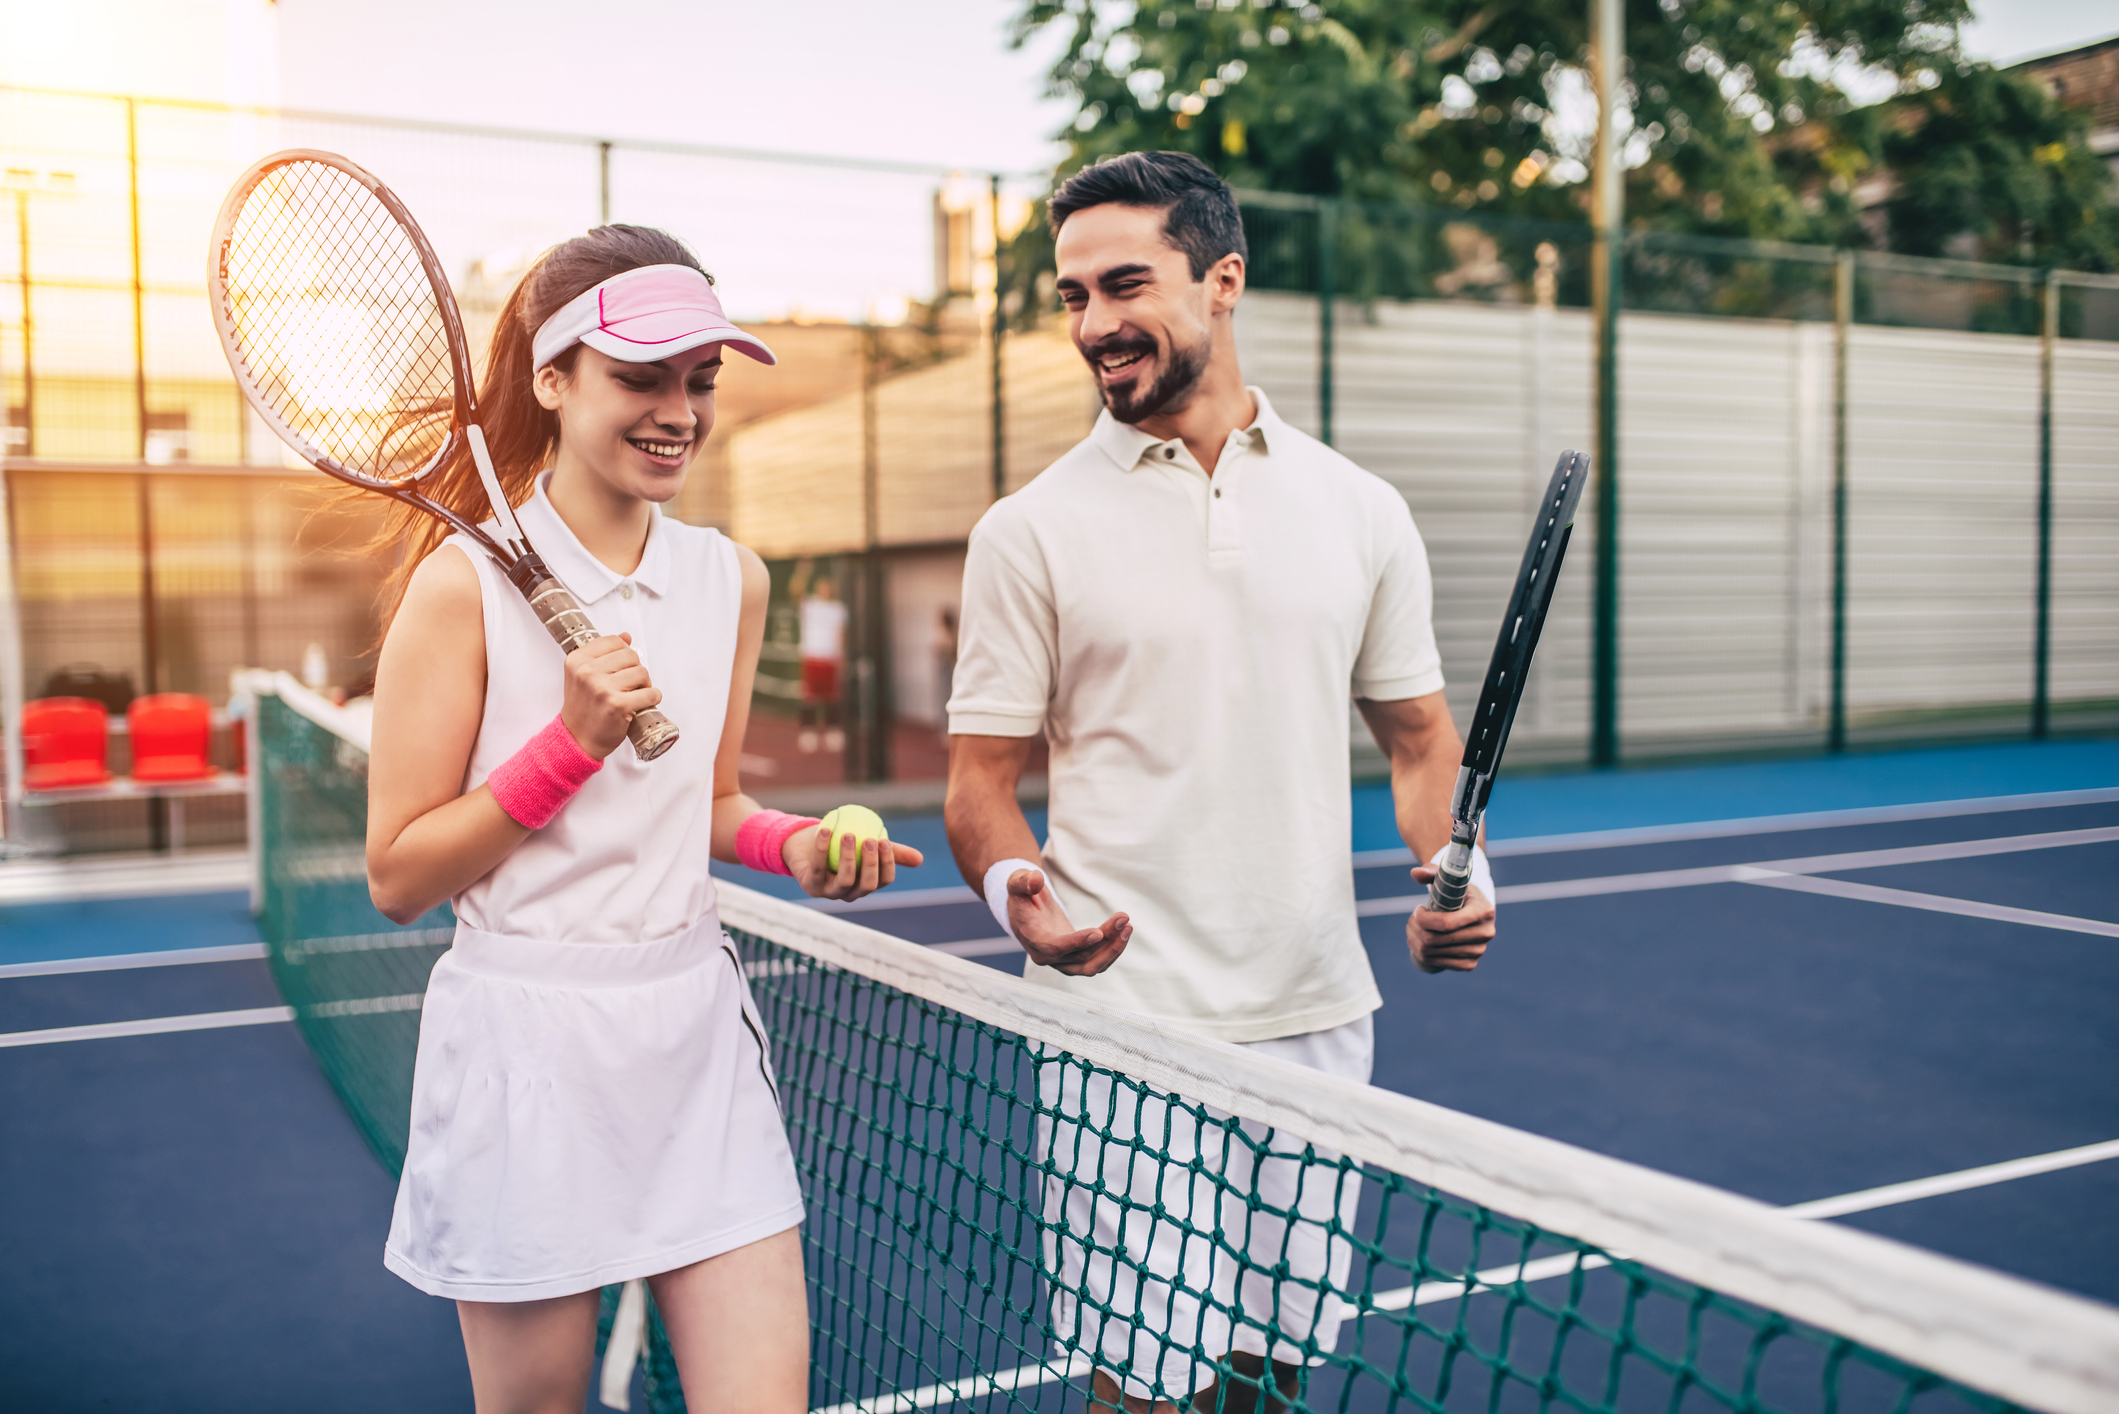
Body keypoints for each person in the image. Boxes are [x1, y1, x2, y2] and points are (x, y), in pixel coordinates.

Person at [942, 153, 1498, 1414]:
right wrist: (1019, 890)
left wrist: (1458, 870)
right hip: (1120, 1030)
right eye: (1073, 295)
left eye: (1124, 284)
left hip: (1311, 1016)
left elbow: (1419, 742)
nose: (1093, 324)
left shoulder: (1361, 510)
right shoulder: (1026, 531)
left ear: (1224, 279)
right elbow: (978, 786)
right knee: (1141, 1396)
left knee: (1271, 1383)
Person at [362, 225, 922, 1414]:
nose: (680, 409)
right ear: (552, 380)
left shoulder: (733, 578)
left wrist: (799, 846)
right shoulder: (457, 586)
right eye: (641, 376)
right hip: (526, 1050)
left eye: (700, 379)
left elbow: (710, 805)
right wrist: (568, 746)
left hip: (694, 1040)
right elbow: (399, 875)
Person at [797, 575, 847, 754]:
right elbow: (796, 590)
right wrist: (804, 569)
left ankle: (833, 732)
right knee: (809, 696)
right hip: (812, 657)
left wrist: (842, 658)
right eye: (822, 587)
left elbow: (841, 634)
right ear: (818, 589)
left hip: (831, 658)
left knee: (832, 696)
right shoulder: (810, 605)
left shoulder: (839, 609)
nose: (826, 590)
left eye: (828, 587)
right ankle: (807, 733)